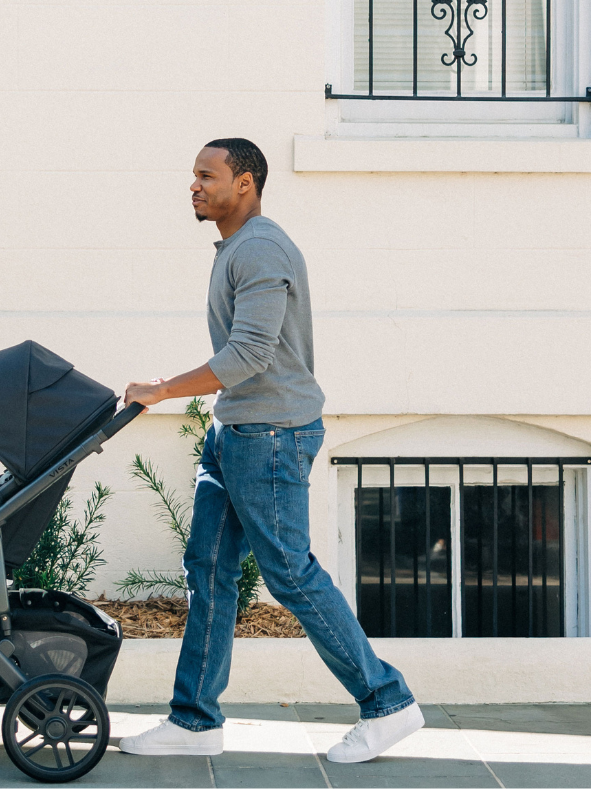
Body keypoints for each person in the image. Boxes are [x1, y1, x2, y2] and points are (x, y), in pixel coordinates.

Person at [117, 138, 423, 764]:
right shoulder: (238, 247)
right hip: (235, 432)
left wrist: (164, 391)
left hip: (272, 437)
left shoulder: (260, 248)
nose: (195, 186)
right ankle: (195, 720)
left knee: (289, 573)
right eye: (193, 176)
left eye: (208, 175)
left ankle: (387, 702)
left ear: (246, 183)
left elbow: (250, 354)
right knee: (208, 570)